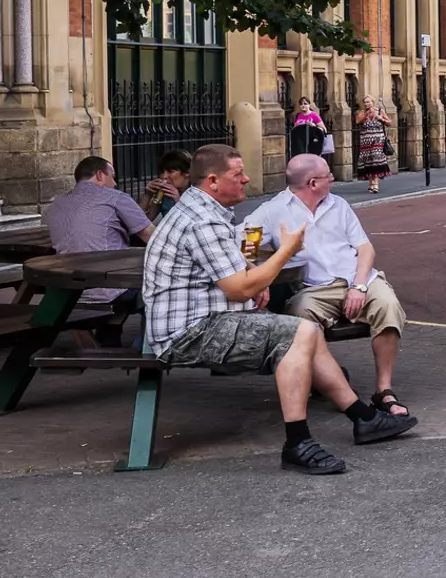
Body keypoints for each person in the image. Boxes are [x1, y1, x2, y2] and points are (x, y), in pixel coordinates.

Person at [141, 143, 417, 475]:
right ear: (212, 181)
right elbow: (239, 286)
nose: (246, 180)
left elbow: (228, 270)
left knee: (307, 331)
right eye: (238, 174)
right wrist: (285, 252)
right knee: (299, 331)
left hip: (205, 320)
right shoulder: (203, 221)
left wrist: (252, 282)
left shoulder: (205, 211)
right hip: (189, 333)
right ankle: (298, 443)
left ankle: (364, 418)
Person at [246, 154, 411, 418]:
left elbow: (365, 247)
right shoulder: (272, 211)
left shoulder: (339, 205)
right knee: (299, 316)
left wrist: (359, 285)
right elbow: (243, 246)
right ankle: (333, 383)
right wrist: (254, 273)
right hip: (314, 288)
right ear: (312, 183)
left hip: (358, 278)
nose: (332, 179)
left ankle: (383, 391)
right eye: (328, 176)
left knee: (388, 306)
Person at [48, 156, 152, 345]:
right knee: (158, 288)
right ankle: (145, 351)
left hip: (67, 289)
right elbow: (152, 237)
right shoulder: (114, 197)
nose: (114, 183)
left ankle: (110, 338)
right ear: (99, 175)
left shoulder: (57, 204)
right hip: (110, 289)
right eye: (112, 177)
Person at [354, 97, 393, 194]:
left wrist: (381, 119)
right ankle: (370, 183)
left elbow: (389, 123)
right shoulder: (362, 112)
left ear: (372, 102)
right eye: (365, 102)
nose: (367, 104)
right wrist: (366, 114)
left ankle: (375, 184)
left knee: (376, 160)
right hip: (366, 142)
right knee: (368, 162)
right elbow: (357, 122)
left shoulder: (380, 111)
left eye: (368, 102)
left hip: (378, 140)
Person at [142, 149, 193, 221]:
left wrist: (178, 201)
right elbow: (143, 222)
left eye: (170, 171)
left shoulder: (196, 193)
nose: (165, 176)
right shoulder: (163, 194)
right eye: (163, 171)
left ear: (187, 172)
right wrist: (148, 195)